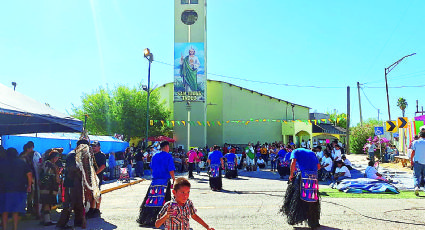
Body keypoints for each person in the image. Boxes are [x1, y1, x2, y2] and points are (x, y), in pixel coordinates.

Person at [137, 141, 175, 227]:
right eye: (168, 147)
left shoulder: (155, 156)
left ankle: (148, 217)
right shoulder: (168, 156)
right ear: (166, 147)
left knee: (151, 199)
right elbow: (171, 169)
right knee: (166, 200)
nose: (169, 148)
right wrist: (174, 179)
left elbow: (152, 168)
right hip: (165, 181)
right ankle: (165, 218)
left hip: (155, 182)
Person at [281, 148, 320, 229]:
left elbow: (293, 162)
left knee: (297, 196)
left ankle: (295, 218)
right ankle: (313, 221)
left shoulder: (295, 152)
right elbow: (318, 167)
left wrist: (291, 175)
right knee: (312, 198)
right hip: (314, 177)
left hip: (303, 175)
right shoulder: (312, 153)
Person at [56, 139, 89, 229]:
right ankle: (61, 224)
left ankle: (78, 222)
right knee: (69, 205)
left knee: (79, 204)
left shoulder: (79, 155)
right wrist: (82, 171)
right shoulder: (72, 155)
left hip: (77, 183)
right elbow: (72, 168)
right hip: (71, 183)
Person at [0, 148, 32, 230]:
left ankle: (4, 228)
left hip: (4, 190)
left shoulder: (2, 163)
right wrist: (29, 186)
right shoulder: (21, 163)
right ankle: (14, 227)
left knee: (4, 211)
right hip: (19, 190)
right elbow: (29, 174)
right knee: (16, 211)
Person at [38, 149, 61, 226]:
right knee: (47, 203)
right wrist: (55, 178)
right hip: (48, 188)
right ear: (53, 157)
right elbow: (46, 175)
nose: (57, 159)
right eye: (56, 157)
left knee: (46, 203)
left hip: (48, 188)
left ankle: (43, 219)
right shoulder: (48, 164)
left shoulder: (49, 164)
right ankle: (46, 220)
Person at [87, 140, 106, 218]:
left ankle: (97, 209)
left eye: (95, 146)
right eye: (92, 146)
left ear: (99, 147)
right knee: (91, 193)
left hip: (97, 177)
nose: (93, 148)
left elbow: (103, 166)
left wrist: (95, 174)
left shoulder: (102, 155)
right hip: (89, 177)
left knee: (97, 193)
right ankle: (91, 208)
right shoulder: (90, 155)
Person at [411, 131, 425, 196]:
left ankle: (416, 186)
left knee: (416, 175)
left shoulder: (415, 142)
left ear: (419, 136)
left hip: (417, 161)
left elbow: (413, 152)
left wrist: (411, 160)